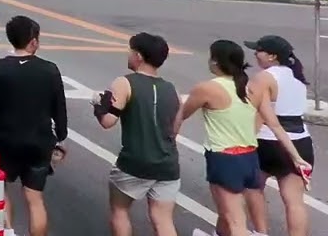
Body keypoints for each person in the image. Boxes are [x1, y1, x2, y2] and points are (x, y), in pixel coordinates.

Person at [174, 40, 310, 236]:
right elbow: (274, 124)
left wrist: (169, 141)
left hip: (226, 158)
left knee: (235, 219)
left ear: (215, 62)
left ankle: (258, 233)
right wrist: (297, 157)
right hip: (254, 156)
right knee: (232, 210)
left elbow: (181, 116)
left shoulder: (210, 88)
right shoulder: (266, 86)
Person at [0, 15, 69, 236]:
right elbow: (60, 108)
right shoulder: (50, 70)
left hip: (5, 142)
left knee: (2, 190)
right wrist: (61, 137)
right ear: (33, 41)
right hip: (38, 143)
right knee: (35, 199)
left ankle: (8, 231)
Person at [91, 32, 181, 236]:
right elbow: (174, 129)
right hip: (168, 165)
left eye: (130, 51)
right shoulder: (171, 89)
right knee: (163, 219)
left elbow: (108, 121)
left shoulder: (124, 83)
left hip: (134, 162)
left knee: (120, 211)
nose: (128, 55)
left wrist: (98, 105)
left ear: (139, 56)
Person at [244, 35, 314, 236]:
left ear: (272, 56)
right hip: (300, 140)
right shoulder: (298, 78)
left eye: (259, 50)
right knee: (294, 201)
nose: (255, 54)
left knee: (253, 189)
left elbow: (257, 112)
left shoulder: (264, 77)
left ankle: (260, 232)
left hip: (267, 141)